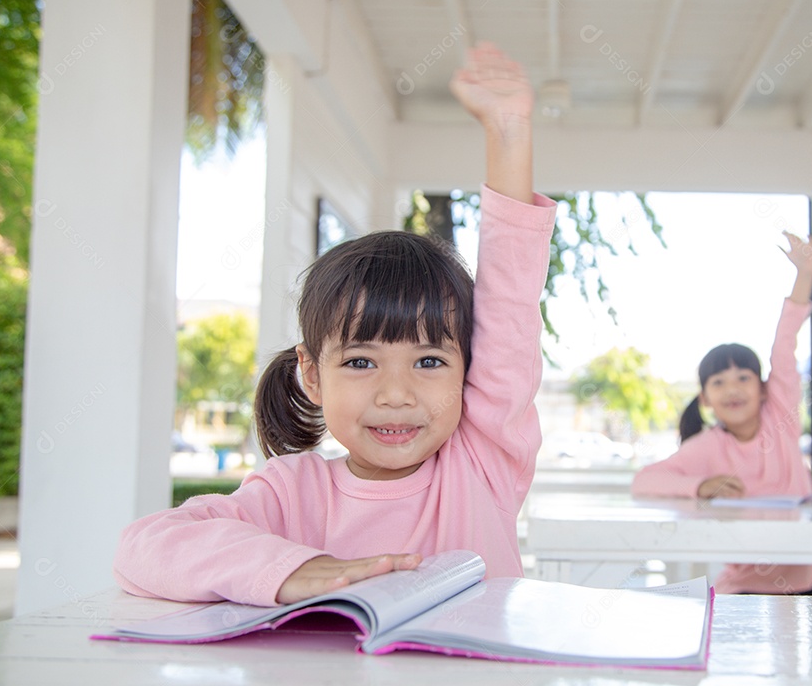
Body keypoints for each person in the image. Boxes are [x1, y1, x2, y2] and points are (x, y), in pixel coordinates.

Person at [113, 43, 556, 607]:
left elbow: (510, 305)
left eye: (429, 361)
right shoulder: (290, 492)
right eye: (360, 362)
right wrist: (291, 569)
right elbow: (145, 546)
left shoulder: (483, 464)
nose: (395, 394)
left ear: (471, 374)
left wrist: (509, 131)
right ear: (312, 373)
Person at [632, 231, 812, 596]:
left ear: (764, 388)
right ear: (705, 399)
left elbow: (784, 345)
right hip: (741, 590)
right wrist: (699, 486)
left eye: (743, 377)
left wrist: (805, 274)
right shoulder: (708, 446)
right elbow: (644, 481)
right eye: (719, 382)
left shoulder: (780, 417)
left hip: (806, 583)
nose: (733, 388)